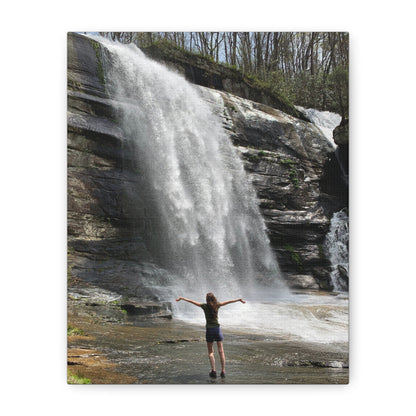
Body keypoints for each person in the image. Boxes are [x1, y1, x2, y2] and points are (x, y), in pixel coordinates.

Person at [176, 292, 246, 379]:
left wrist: (182, 298)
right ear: (214, 298)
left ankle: (213, 371)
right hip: (217, 329)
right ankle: (223, 371)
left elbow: (192, 302)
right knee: (221, 351)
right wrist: (238, 300)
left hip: (209, 330)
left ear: (207, 300)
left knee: (211, 352)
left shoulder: (204, 306)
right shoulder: (217, 305)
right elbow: (228, 302)